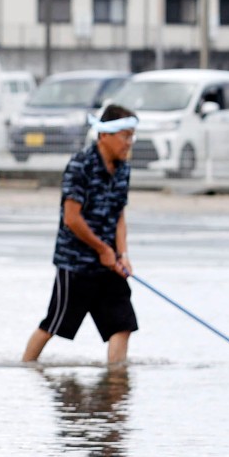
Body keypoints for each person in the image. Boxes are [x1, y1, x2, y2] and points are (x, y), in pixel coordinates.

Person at [21, 104, 139, 365]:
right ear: (105, 135)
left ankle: (116, 385)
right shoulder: (80, 165)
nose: (129, 143)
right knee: (53, 323)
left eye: (132, 136)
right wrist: (103, 250)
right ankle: (26, 368)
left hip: (109, 263)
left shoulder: (123, 169)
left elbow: (120, 215)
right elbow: (72, 218)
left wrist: (122, 254)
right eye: (125, 136)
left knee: (122, 324)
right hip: (75, 263)